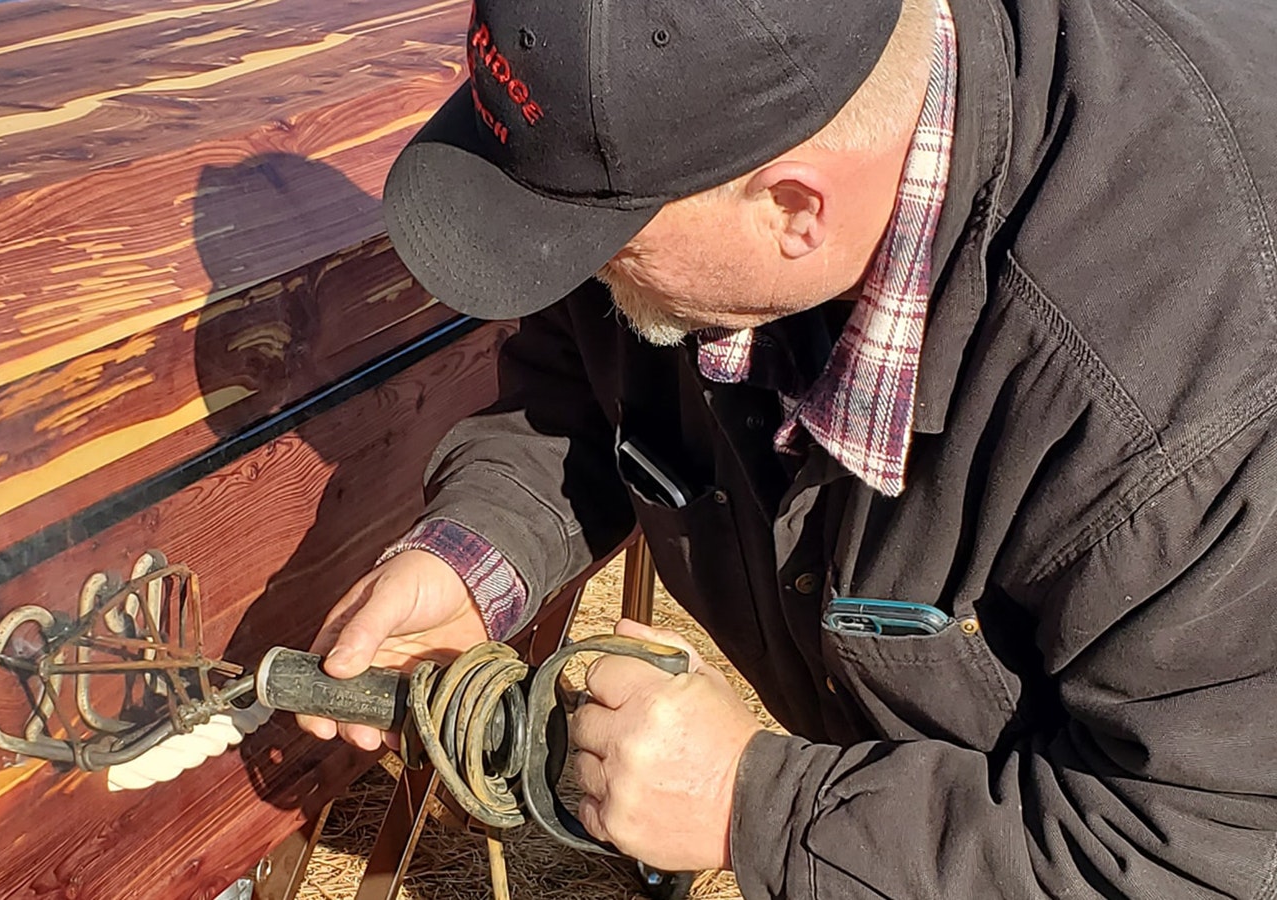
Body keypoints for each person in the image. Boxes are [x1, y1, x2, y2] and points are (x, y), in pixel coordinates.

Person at [298, 0, 1277, 895]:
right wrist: (478, 553)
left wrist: (758, 808)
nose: (580, 273)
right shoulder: (714, 144)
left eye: (604, 243)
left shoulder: (1181, 414)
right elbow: (582, 376)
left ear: (794, 210)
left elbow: (1189, 852)